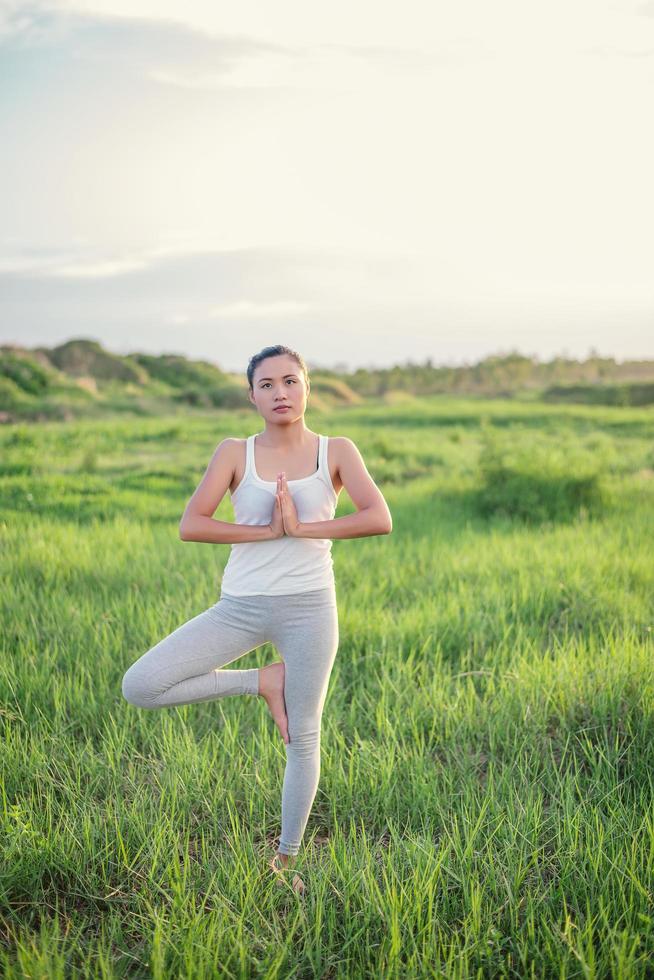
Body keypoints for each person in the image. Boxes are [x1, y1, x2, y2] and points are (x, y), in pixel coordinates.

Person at [121, 344, 393, 896]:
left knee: (303, 734)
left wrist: (303, 529)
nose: (280, 393)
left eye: (290, 381)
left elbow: (378, 517)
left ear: (307, 387)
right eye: (266, 384)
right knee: (141, 686)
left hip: (310, 607)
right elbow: (191, 524)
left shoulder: (335, 450)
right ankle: (261, 682)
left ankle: (286, 861)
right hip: (240, 606)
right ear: (251, 395)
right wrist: (265, 533)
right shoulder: (233, 452)